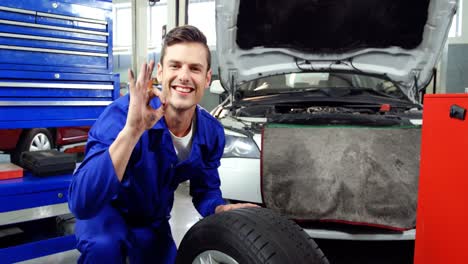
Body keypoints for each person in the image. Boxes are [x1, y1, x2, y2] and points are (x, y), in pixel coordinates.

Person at [68, 25, 256, 263]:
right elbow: (82, 203)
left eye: (195, 68)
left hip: (151, 219)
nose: (184, 76)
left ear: (208, 78)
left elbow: (205, 190)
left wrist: (218, 208)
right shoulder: (121, 117)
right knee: (105, 248)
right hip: (105, 213)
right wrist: (131, 133)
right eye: (175, 66)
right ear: (160, 71)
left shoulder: (211, 133)